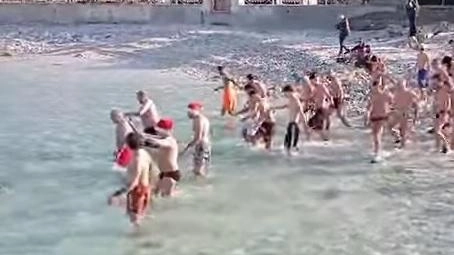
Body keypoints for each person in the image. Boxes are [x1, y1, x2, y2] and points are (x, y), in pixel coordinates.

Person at [108, 133, 153, 228]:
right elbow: (150, 168)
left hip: (137, 190)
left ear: (128, 145)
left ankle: (138, 237)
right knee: (141, 214)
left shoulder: (137, 159)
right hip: (145, 187)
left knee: (134, 218)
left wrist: (121, 193)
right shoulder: (144, 153)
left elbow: (135, 180)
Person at [142, 118, 181, 196]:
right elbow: (154, 139)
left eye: (160, 130)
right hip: (163, 173)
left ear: (168, 130)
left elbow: (157, 143)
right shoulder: (163, 138)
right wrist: (144, 136)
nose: (157, 132)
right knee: (155, 193)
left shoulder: (170, 141)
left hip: (171, 174)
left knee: (166, 197)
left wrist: (144, 138)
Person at [272, 85, 307, 155]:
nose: (285, 95)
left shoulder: (294, 99)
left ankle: (291, 155)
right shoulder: (292, 99)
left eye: (285, 93)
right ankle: (289, 155)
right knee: (287, 142)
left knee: (290, 143)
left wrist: (305, 123)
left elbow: (300, 110)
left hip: (294, 124)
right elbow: (286, 106)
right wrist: (274, 107)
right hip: (291, 124)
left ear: (289, 92)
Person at [365, 80, 393, 161]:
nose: (374, 89)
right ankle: (377, 150)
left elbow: (393, 103)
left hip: (382, 117)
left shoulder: (386, 94)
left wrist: (390, 112)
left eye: (375, 87)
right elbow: (368, 108)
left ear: (379, 87)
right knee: (375, 136)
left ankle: (377, 154)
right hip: (374, 117)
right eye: (373, 87)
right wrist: (367, 117)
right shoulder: (372, 96)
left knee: (377, 135)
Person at [181, 102, 212, 177]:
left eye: (190, 111)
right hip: (205, 144)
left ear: (196, 110)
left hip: (201, 145)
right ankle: (201, 185)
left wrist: (187, 147)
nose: (188, 113)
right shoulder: (202, 119)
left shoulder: (199, 120)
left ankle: (201, 185)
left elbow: (198, 137)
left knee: (198, 169)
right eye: (188, 111)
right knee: (199, 167)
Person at [388, 79, 419, 148]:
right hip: (397, 112)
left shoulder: (409, 93)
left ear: (404, 85)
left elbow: (416, 103)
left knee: (403, 131)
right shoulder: (396, 93)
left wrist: (415, 115)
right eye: (398, 85)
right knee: (390, 127)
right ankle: (398, 137)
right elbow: (394, 104)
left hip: (405, 113)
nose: (399, 86)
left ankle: (402, 146)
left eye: (400, 85)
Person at [307, 72, 333, 141]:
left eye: (311, 81)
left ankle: (323, 139)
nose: (311, 83)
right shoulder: (315, 87)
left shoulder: (321, 86)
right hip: (319, 109)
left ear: (313, 79)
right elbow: (313, 97)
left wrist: (331, 104)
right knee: (314, 125)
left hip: (322, 109)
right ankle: (324, 139)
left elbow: (329, 96)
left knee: (312, 124)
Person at [432, 74, 451, 153]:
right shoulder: (437, 91)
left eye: (436, 83)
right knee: (437, 133)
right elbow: (436, 103)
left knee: (437, 131)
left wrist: (444, 111)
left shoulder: (443, 91)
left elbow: (448, 103)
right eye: (434, 83)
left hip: (443, 114)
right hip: (438, 114)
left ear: (440, 82)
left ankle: (447, 146)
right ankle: (439, 148)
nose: (434, 84)